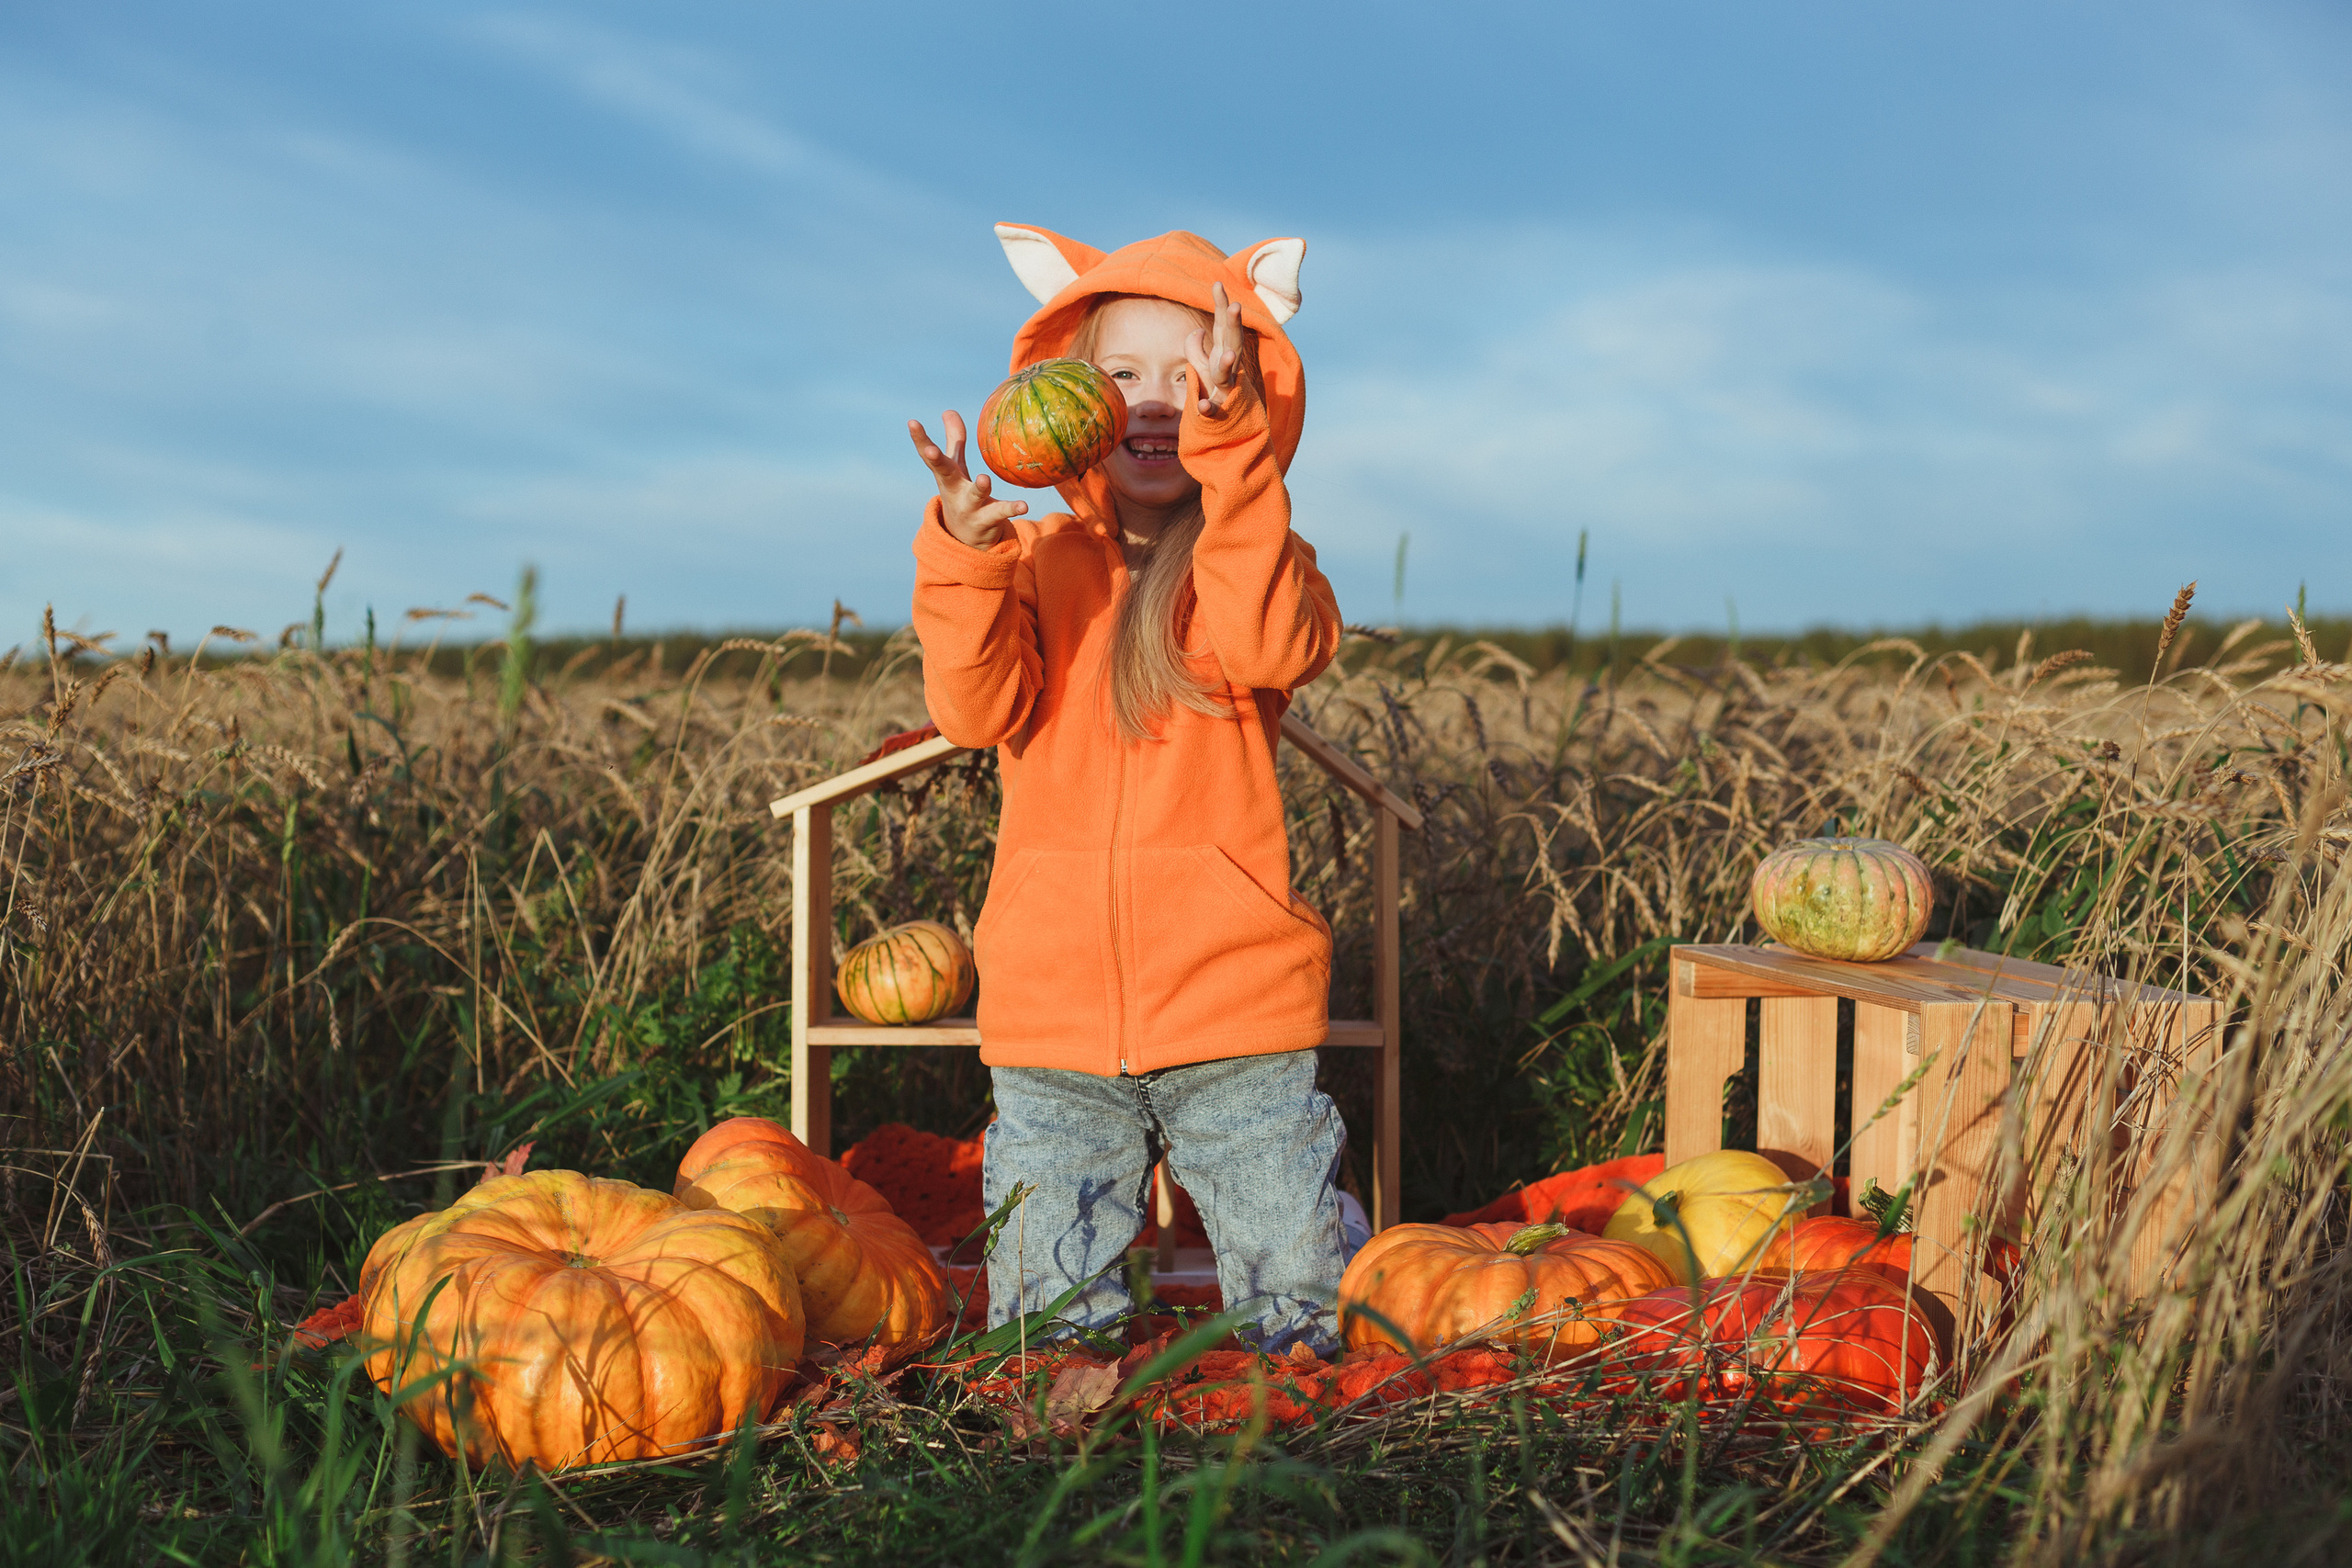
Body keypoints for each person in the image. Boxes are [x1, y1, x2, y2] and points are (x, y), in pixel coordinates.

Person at [906, 225, 1359, 1352]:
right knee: (1050, 1310)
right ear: (1066, 396)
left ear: (1244, 395)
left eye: (1191, 374)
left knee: (1292, 1297)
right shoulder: (1036, 564)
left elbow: (1265, 648)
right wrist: (962, 558)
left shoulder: (1263, 565)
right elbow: (972, 712)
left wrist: (1234, 460)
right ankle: (1065, 1466)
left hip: (1233, 1010)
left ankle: (1304, 1468)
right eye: (1120, 375)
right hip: (1050, 1010)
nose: (1154, 403)